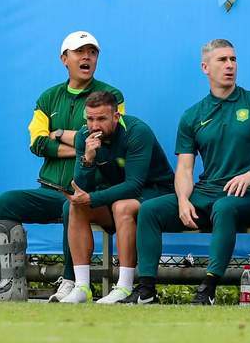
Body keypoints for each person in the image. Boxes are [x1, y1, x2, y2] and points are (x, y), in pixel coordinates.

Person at [121, 39, 250, 305]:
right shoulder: (192, 115)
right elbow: (185, 168)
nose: (230, 65)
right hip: (205, 193)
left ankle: (208, 288)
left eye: (233, 59)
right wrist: (183, 200)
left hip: (249, 194)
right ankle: (146, 289)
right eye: (222, 60)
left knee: (224, 207)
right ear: (205, 67)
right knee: (149, 210)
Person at [0, 31, 125, 301]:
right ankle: (12, 285)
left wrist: (59, 134)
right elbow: (37, 143)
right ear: (64, 59)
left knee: (73, 206)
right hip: (50, 190)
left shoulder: (111, 96)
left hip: (92, 194)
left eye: (92, 52)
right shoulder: (48, 98)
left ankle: (71, 281)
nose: (87, 57)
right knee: (5, 203)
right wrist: (82, 146)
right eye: (80, 52)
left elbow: (107, 140)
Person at [59, 91, 174, 304]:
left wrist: (92, 198)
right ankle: (82, 287)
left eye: (101, 119)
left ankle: (124, 286)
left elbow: (134, 185)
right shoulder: (84, 136)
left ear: (116, 116)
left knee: (122, 206)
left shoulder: (137, 132)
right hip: (116, 196)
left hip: (155, 191)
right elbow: (82, 187)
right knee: (74, 206)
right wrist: (88, 159)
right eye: (90, 119)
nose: (95, 126)